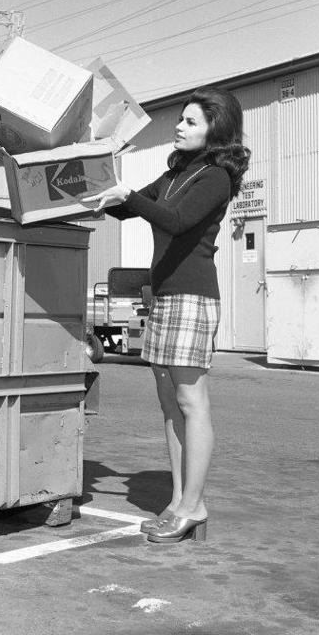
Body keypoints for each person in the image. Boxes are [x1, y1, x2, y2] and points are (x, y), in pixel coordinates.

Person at [84, 86, 250, 544]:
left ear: (215, 130)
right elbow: (125, 209)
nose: (179, 126)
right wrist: (99, 163)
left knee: (192, 403)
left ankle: (194, 504)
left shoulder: (215, 177)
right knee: (169, 404)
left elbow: (173, 221)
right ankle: (179, 498)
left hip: (192, 299)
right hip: (163, 298)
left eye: (191, 121)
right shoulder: (177, 173)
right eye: (181, 118)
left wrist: (128, 195)